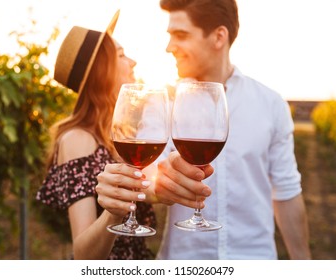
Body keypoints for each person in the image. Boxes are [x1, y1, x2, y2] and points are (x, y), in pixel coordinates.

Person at [96, 0, 311, 260]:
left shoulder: (270, 104)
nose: (168, 47)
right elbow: (151, 172)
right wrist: (161, 184)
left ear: (219, 36)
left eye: (181, 35)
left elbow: (287, 194)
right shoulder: (163, 102)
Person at [36, 11, 157, 260]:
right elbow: (83, 256)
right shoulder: (78, 139)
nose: (133, 62)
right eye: (122, 55)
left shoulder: (120, 134)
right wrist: (114, 212)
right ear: (101, 70)